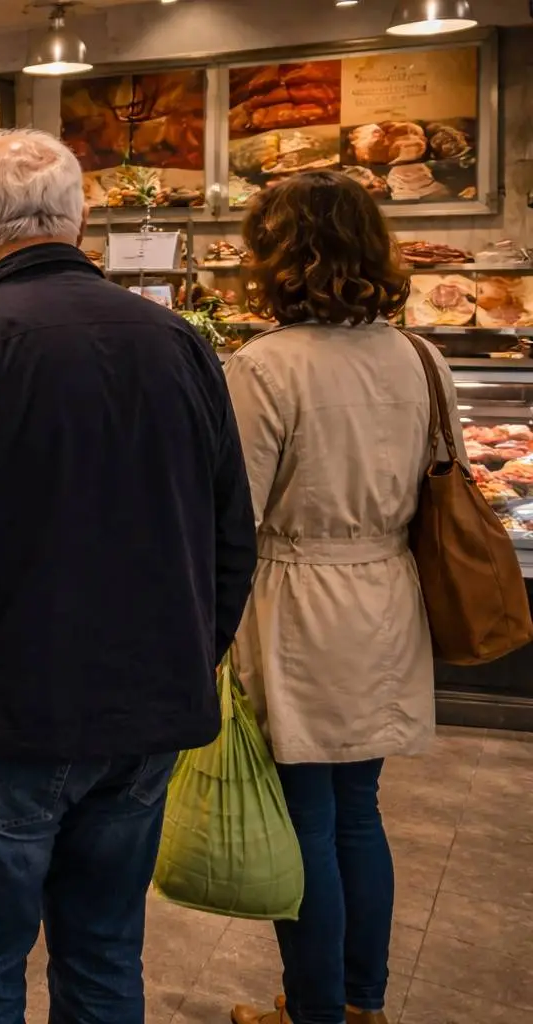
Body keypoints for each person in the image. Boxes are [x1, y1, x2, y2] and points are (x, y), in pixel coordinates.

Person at [0, 128, 258, 1024]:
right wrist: (187, 658)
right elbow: (232, 534)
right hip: (143, 719)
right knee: (105, 953)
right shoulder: (181, 345)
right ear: (83, 221)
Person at [226, 171, 459, 1024]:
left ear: (278, 258)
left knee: (306, 823)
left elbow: (234, 516)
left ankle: (312, 1010)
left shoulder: (263, 366)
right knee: (359, 812)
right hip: (390, 597)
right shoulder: (423, 357)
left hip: (298, 602)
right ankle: (362, 1003)